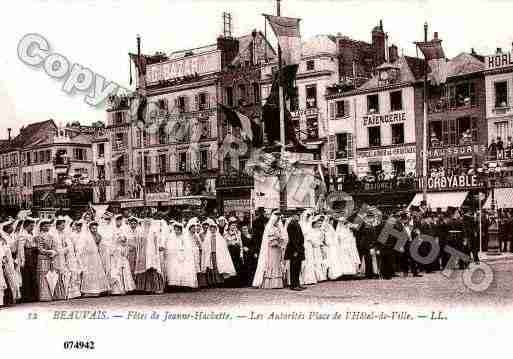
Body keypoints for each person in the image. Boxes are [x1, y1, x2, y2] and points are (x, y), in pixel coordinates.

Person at [74, 221, 109, 297]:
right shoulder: (85, 237)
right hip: (88, 257)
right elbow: (81, 247)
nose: (94, 230)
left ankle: (98, 289)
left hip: (96, 257)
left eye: (95, 228)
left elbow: (102, 246)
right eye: (93, 228)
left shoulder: (99, 236)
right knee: (89, 272)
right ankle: (88, 290)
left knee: (97, 272)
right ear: (89, 228)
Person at [252, 211, 285, 289]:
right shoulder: (269, 228)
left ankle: (277, 283)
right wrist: (276, 240)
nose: (277, 221)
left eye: (278, 220)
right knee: (271, 263)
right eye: (276, 220)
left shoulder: (278, 228)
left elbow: (282, 237)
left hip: (278, 249)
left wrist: (281, 241)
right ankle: (269, 283)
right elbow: (268, 240)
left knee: (277, 264)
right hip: (271, 249)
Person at [201, 219, 236, 287]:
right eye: (211, 229)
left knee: (217, 268)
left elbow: (222, 247)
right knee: (211, 268)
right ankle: (211, 282)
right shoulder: (208, 237)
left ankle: (218, 281)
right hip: (210, 254)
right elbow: (205, 246)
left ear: (216, 229)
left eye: (214, 228)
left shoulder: (219, 237)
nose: (212, 230)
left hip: (217, 254)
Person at [134, 217, 165, 294]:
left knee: (153, 269)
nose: (147, 223)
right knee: (144, 270)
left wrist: (155, 253)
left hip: (151, 252)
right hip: (143, 252)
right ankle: (144, 289)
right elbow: (139, 244)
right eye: (145, 222)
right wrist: (139, 254)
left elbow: (156, 243)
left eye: (148, 222)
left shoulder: (154, 231)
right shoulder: (140, 231)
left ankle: (155, 288)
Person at [165, 222, 198, 290]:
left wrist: (182, 251)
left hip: (183, 255)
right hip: (175, 255)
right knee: (175, 269)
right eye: (175, 230)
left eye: (178, 230)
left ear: (181, 230)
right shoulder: (172, 237)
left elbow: (187, 247)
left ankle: (184, 285)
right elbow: (170, 246)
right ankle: (175, 285)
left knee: (184, 270)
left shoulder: (184, 237)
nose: (177, 231)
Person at [110, 215, 136, 295]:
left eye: (120, 220)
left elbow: (126, 240)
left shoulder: (124, 229)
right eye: (117, 220)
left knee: (125, 268)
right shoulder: (112, 229)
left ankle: (127, 288)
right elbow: (111, 241)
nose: (119, 222)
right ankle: (118, 289)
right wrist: (117, 240)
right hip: (115, 251)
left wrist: (124, 240)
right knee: (117, 269)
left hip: (122, 250)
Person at [18, 218, 38, 302]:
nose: (32, 228)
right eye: (31, 226)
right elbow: (21, 248)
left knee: (32, 275)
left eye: (33, 226)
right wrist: (22, 260)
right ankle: (27, 296)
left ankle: (33, 295)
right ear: (26, 226)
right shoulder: (23, 235)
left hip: (32, 254)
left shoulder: (31, 233)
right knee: (27, 276)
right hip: (27, 255)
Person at [284, 214, 306, 291]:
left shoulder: (297, 224)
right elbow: (293, 239)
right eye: (296, 215)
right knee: (294, 267)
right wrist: (296, 250)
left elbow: (300, 237)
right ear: (293, 216)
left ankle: (297, 283)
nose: (298, 217)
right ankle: (293, 285)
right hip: (294, 249)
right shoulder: (291, 225)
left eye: (298, 216)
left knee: (298, 267)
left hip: (299, 248)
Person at [224, 217, 243, 287]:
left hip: (237, 252)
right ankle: (230, 283)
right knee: (230, 266)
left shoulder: (238, 233)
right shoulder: (226, 234)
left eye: (235, 225)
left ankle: (237, 283)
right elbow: (225, 243)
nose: (233, 227)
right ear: (229, 226)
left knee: (237, 266)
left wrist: (241, 253)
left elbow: (240, 243)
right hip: (230, 252)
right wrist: (231, 243)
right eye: (232, 225)